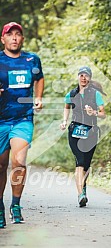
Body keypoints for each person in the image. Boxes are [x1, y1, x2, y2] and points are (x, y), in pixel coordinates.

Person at [0, 22, 44, 228]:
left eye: (18, 34)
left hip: (22, 119)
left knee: (19, 162)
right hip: (0, 120)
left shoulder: (31, 59)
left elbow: (39, 78)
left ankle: (15, 205)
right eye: (10, 35)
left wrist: (38, 97)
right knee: (0, 165)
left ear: (22, 39)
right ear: (3, 39)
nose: (14, 38)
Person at [60, 66, 106, 207]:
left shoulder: (95, 94)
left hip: (91, 132)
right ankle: (80, 194)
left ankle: (83, 187)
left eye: (86, 75)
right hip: (75, 132)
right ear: (78, 77)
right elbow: (67, 106)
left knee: (86, 164)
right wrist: (64, 121)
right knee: (79, 161)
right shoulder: (72, 93)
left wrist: (94, 113)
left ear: (90, 78)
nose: (83, 78)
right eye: (81, 75)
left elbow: (103, 114)